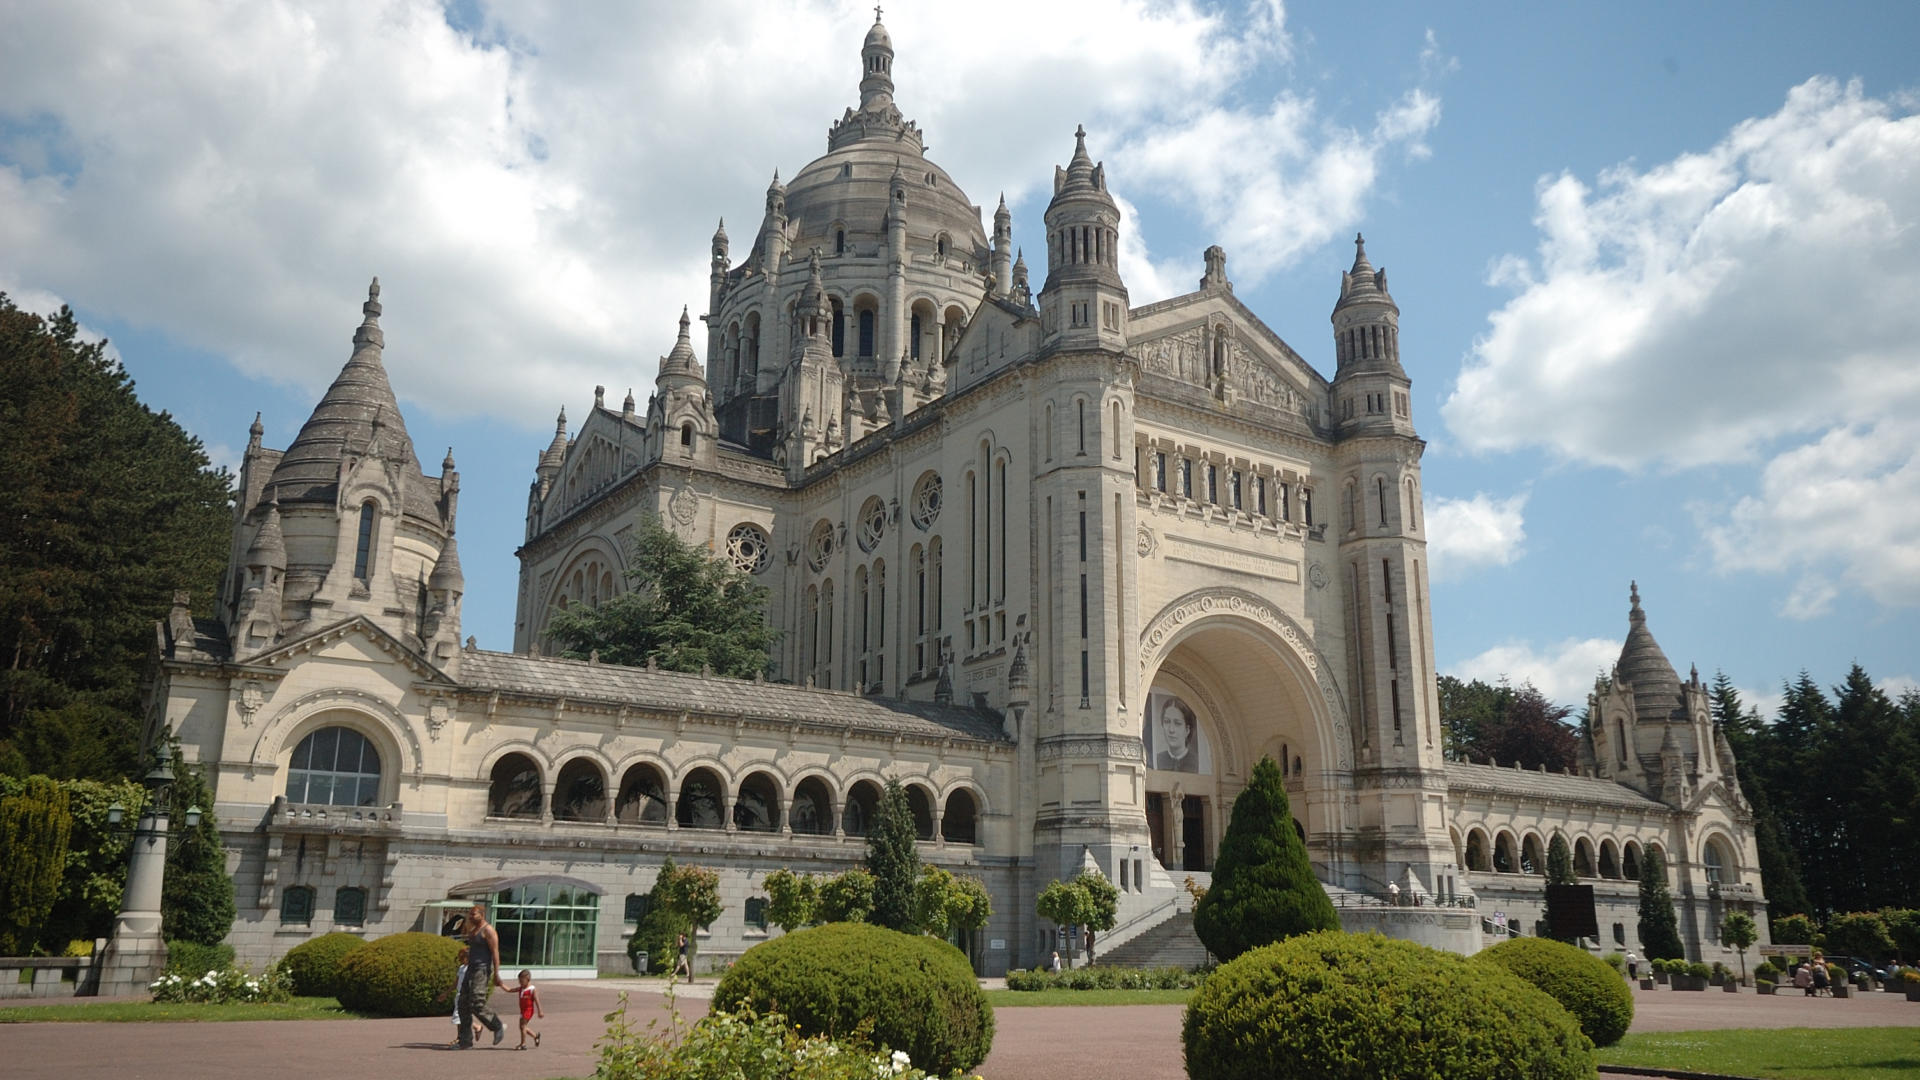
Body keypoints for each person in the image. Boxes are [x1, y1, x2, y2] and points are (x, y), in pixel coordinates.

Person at [457, 904, 507, 1048]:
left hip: (482, 969)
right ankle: (465, 1041)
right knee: (462, 1004)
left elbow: (495, 952)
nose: (471, 917)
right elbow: (465, 937)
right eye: (470, 914)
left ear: (482, 915)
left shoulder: (488, 930)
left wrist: (496, 974)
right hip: (471, 968)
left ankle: (497, 1026)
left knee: (476, 1003)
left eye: (474, 915)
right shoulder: (473, 930)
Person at [1153, 697, 1198, 772]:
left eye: (1177, 723)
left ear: (1187, 730)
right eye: (1167, 722)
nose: (1171, 730)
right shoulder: (1157, 759)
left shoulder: (1196, 762)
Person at [514, 969, 543, 1050]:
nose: (520, 983)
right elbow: (510, 990)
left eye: (521, 981)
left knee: (523, 1026)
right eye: (519, 981)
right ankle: (535, 1036)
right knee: (522, 1027)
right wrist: (501, 984)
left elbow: (537, 1001)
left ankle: (523, 1044)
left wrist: (540, 1011)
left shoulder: (532, 989)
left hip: (528, 1010)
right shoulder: (521, 988)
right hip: (522, 1010)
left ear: (527, 979)